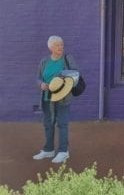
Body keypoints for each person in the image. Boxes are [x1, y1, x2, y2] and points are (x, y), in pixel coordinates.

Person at [33, 35, 79, 163]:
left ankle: (63, 151)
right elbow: (38, 78)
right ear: (51, 47)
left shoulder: (67, 59)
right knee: (48, 124)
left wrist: (60, 79)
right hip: (47, 97)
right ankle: (48, 150)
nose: (61, 47)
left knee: (62, 123)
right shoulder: (44, 61)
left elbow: (75, 73)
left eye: (62, 44)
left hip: (63, 96)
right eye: (58, 45)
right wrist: (41, 84)